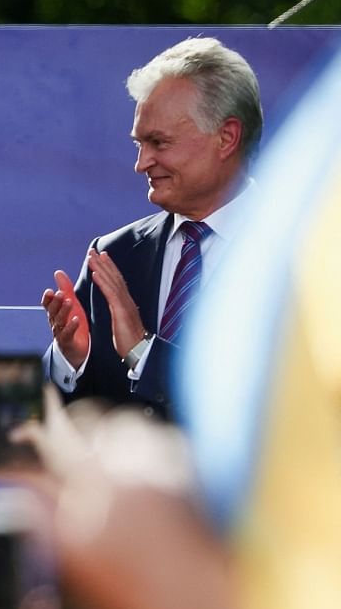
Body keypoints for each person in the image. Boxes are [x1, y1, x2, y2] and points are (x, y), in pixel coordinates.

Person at [41, 37, 262, 419]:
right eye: (139, 144)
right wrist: (70, 361)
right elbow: (21, 439)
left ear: (226, 137)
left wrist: (143, 351)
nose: (141, 164)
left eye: (159, 142)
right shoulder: (114, 255)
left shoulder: (302, 252)